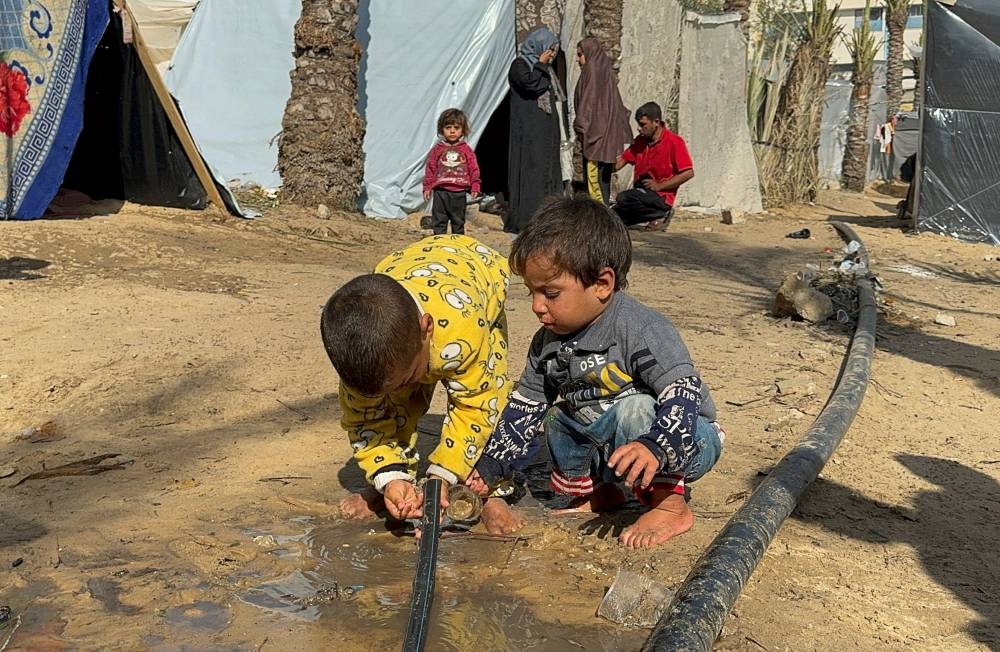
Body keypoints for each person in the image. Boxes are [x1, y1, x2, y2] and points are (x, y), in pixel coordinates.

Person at [466, 196, 725, 549]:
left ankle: (669, 504)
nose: (537, 306)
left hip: (685, 437)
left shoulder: (640, 328)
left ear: (602, 284)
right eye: (531, 292)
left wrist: (656, 444)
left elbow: (684, 393)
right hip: (613, 442)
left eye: (550, 293)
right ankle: (603, 492)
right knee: (557, 417)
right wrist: (491, 467)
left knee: (634, 409)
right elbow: (525, 407)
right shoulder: (546, 342)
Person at [321, 235, 522, 534]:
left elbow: (476, 408)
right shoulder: (360, 354)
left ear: (426, 330)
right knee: (397, 401)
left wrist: (443, 474)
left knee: (491, 399)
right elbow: (363, 418)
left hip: (474, 285)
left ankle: (490, 491)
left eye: (406, 377)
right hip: (407, 271)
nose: (394, 391)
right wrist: (389, 477)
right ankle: (395, 480)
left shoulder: (464, 333)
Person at [506, 27, 564, 233]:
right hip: (529, 133)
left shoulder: (547, 70)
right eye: (549, 49)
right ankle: (527, 221)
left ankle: (547, 219)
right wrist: (540, 64)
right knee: (530, 173)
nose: (551, 54)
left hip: (545, 134)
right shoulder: (519, 65)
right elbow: (531, 85)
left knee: (547, 173)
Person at [613, 102, 694, 231]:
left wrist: (660, 186)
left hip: (660, 196)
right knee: (612, 218)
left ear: (656, 122)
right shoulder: (640, 141)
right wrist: (600, 163)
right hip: (640, 194)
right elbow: (621, 162)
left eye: (643, 125)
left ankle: (662, 213)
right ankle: (652, 218)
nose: (639, 129)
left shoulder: (674, 142)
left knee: (623, 198)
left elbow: (688, 173)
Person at [573, 37, 632, 205]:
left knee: (595, 186)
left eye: (580, 55)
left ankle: (600, 216)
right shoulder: (604, 71)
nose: (578, 60)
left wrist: (581, 127)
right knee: (602, 182)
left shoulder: (591, 71)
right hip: (605, 140)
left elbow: (588, 105)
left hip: (595, 140)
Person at [422, 108, 481, 235]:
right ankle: (439, 243)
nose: (452, 131)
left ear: (463, 130)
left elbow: (473, 169)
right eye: (448, 127)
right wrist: (427, 187)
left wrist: (475, 185)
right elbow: (430, 168)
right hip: (440, 192)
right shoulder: (438, 149)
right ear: (441, 129)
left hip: (459, 193)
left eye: (456, 127)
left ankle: (456, 244)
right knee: (439, 221)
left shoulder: (466, 150)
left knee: (458, 222)